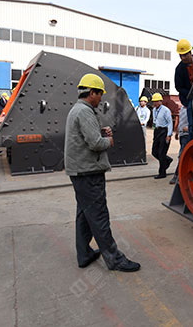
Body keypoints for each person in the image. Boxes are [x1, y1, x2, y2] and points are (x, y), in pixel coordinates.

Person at [65, 73, 140, 272]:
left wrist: (100, 131)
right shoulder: (85, 112)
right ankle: (115, 259)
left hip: (80, 172)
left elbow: (85, 137)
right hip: (89, 173)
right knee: (99, 216)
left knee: (84, 214)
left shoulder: (77, 109)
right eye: (100, 94)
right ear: (92, 93)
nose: (101, 99)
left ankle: (84, 254)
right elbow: (96, 144)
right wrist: (109, 141)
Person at [174, 39, 193, 139]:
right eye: (180, 55)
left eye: (184, 55)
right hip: (190, 98)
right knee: (192, 124)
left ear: (190, 52)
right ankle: (192, 140)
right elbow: (178, 87)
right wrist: (191, 94)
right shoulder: (179, 69)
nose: (182, 58)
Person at [151, 93, 173, 179]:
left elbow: (170, 123)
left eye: (157, 101)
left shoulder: (166, 110)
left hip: (164, 131)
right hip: (157, 131)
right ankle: (167, 160)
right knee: (154, 152)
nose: (155, 103)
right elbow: (155, 121)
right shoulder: (154, 110)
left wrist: (169, 135)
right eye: (154, 101)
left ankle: (162, 173)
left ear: (161, 101)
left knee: (161, 153)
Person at [169, 105, 189, 185]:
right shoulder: (182, 108)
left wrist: (188, 128)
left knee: (182, 155)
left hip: (187, 135)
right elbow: (180, 121)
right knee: (182, 155)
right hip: (182, 135)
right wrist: (177, 132)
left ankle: (177, 175)